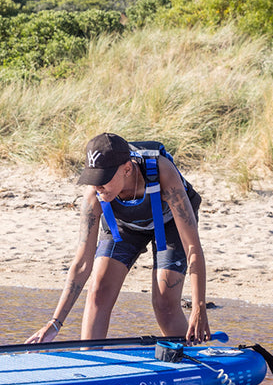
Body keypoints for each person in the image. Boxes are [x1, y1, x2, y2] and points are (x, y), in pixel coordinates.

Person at [27, 133, 211, 344]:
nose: (98, 187)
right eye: (93, 179)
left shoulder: (161, 171)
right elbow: (82, 263)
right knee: (98, 292)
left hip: (169, 224)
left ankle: (191, 359)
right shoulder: (95, 195)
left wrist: (198, 307)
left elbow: (192, 248)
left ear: (127, 169)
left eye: (103, 179)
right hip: (123, 227)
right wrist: (55, 322)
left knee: (164, 302)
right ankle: (92, 364)